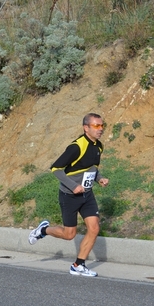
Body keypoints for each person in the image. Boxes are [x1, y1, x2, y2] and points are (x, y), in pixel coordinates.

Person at [28, 113, 110, 277]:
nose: (100, 129)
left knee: (94, 228)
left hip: (87, 195)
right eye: (96, 126)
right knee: (69, 234)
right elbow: (55, 169)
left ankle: (78, 265)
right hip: (69, 195)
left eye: (102, 126)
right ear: (86, 128)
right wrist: (73, 187)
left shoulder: (98, 146)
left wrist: (99, 179)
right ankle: (43, 230)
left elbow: (91, 168)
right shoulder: (76, 147)